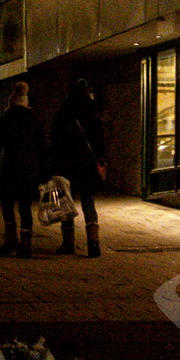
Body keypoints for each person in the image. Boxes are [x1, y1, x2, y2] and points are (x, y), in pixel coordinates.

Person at [49, 78, 106, 257]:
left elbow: (54, 142)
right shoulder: (94, 118)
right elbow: (101, 145)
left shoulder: (62, 117)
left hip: (66, 166)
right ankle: (93, 244)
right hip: (88, 166)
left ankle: (68, 243)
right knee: (88, 202)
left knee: (66, 203)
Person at [0, 81, 47, 258]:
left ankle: (11, 240)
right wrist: (45, 172)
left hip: (10, 167)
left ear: (11, 103)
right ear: (26, 102)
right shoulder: (34, 121)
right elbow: (44, 148)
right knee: (25, 206)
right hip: (29, 169)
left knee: (7, 204)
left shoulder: (4, 121)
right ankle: (26, 244)